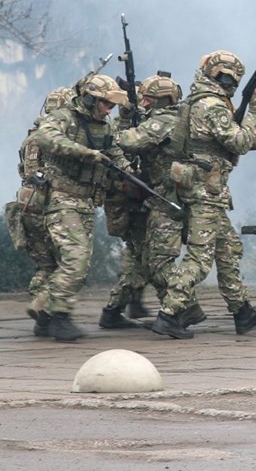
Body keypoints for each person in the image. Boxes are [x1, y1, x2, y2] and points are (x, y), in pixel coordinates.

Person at [150, 50, 256, 339]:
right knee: (200, 259)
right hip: (206, 191)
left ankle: (242, 311)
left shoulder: (200, 101)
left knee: (228, 250)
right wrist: (254, 110)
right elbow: (239, 141)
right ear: (226, 76)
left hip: (204, 189)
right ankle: (169, 313)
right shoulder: (213, 105)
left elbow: (223, 142)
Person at [27, 75, 133, 341]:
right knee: (76, 260)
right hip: (62, 199)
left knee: (79, 266)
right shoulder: (65, 117)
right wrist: (83, 152)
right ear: (90, 99)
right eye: (106, 104)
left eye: (112, 106)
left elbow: (116, 152)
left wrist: (130, 175)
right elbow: (45, 136)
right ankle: (60, 316)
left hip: (86, 202)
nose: (109, 110)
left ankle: (45, 315)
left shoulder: (105, 126)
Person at [100, 74, 183, 329]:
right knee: (146, 256)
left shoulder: (156, 121)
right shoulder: (146, 123)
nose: (144, 103)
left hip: (145, 195)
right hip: (136, 196)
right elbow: (124, 142)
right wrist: (128, 116)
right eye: (142, 98)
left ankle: (115, 310)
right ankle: (178, 308)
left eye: (148, 98)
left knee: (140, 256)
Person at [5, 86, 75, 337]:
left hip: (27, 205)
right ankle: (46, 309)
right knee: (66, 262)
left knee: (45, 264)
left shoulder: (32, 137)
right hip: (46, 206)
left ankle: (43, 318)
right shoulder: (51, 138)